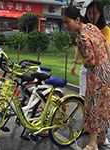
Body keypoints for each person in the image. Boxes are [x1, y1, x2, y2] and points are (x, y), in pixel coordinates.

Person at [62, 5, 110, 150]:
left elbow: (91, 61)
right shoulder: (91, 27)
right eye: (63, 22)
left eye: (67, 22)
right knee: (103, 105)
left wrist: (86, 60)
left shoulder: (82, 37)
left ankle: (93, 143)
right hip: (106, 69)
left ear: (77, 19)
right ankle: (102, 138)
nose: (65, 26)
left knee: (94, 106)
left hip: (95, 73)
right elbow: (106, 44)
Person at [71, 1, 110, 97]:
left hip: (100, 69)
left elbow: (106, 46)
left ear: (100, 14)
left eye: (95, 13)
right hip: (85, 67)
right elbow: (79, 47)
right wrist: (74, 63)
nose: (92, 16)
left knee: (98, 97)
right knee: (83, 96)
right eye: (89, 13)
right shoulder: (84, 28)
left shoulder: (104, 30)